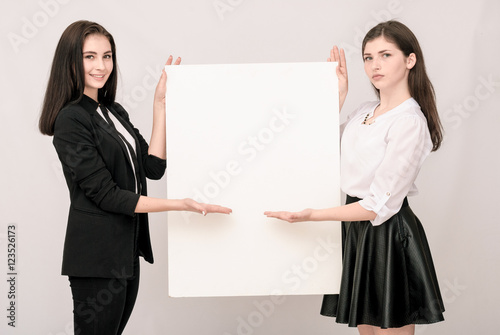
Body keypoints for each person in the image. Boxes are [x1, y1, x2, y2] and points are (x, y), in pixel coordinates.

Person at [39, 20, 231, 335]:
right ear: (70, 60)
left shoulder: (112, 110)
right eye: (90, 56)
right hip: (97, 259)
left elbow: (152, 167)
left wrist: (160, 105)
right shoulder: (70, 119)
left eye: (107, 56)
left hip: (126, 253)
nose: (101, 66)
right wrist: (180, 204)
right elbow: (107, 195)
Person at [264, 20, 445, 334]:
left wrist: (311, 216)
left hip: (387, 233)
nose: (375, 65)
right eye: (368, 57)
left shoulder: (409, 122)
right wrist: (338, 96)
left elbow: (376, 205)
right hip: (355, 231)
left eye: (385, 55)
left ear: (410, 60)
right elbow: (316, 148)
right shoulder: (364, 111)